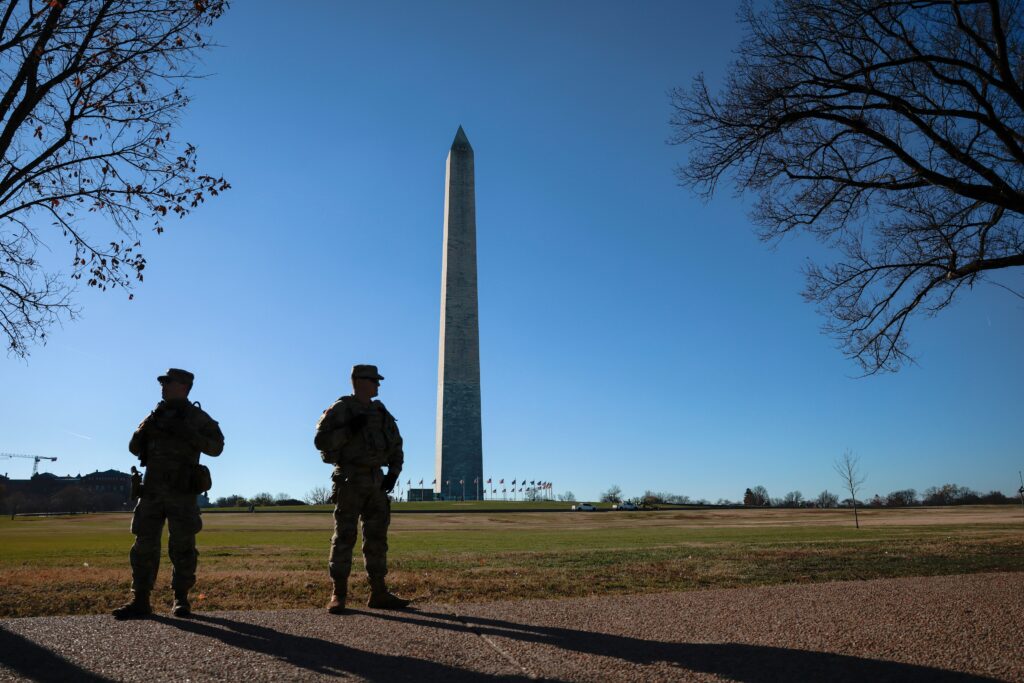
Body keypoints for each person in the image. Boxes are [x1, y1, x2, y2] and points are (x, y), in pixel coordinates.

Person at [112, 368, 224, 619]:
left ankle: (181, 599)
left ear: (184, 386)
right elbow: (133, 447)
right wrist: (145, 428)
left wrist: (189, 434)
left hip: (181, 492)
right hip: (151, 492)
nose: (162, 386)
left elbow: (217, 447)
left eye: (167, 382)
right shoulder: (155, 415)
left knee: (183, 546)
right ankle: (140, 599)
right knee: (143, 546)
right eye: (162, 382)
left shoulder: (196, 417)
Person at [315, 364, 409, 613]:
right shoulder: (342, 408)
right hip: (350, 480)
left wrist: (394, 473)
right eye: (374, 381)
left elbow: (397, 443)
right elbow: (321, 442)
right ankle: (338, 593)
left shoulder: (381, 411)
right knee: (344, 537)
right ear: (359, 381)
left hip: (377, 483)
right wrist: (349, 429)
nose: (378, 385)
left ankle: (379, 592)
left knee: (377, 539)